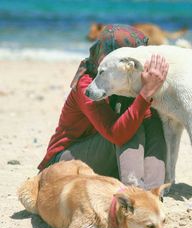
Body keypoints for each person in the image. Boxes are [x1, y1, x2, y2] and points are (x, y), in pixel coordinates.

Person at [38, 24, 169, 190]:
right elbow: (119, 134)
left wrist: (152, 87)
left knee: (153, 123)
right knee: (131, 126)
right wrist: (146, 93)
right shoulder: (87, 85)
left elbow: (152, 127)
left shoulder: (127, 81)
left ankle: (153, 194)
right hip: (61, 165)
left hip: (99, 160)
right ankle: (134, 194)